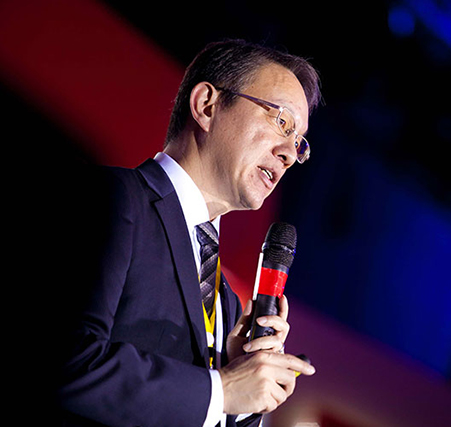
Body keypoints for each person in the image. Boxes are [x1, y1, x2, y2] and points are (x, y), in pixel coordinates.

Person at [55, 39, 321, 426]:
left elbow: (196, 406)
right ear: (207, 105)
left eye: (298, 142)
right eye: (281, 121)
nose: (289, 153)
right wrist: (222, 390)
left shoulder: (226, 302)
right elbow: (65, 361)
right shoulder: (114, 199)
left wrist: (243, 391)